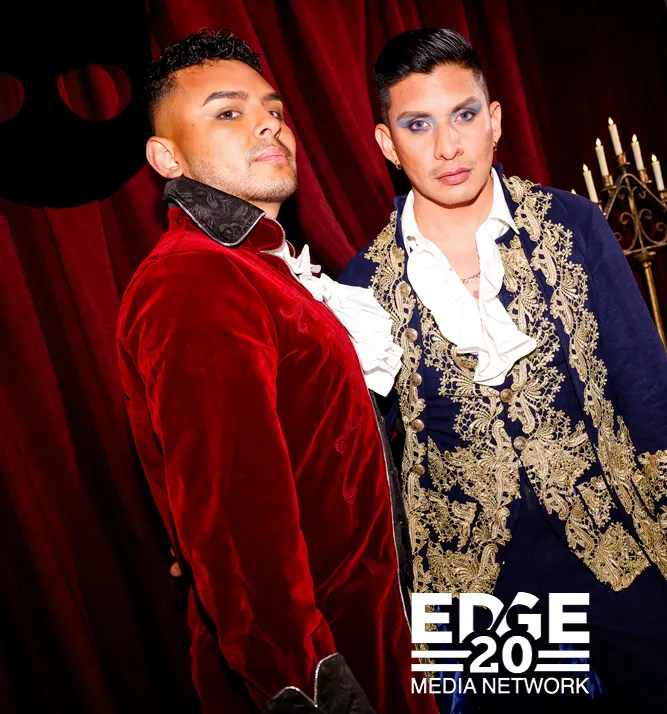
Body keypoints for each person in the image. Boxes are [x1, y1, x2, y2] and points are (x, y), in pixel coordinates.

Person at [338, 28, 667, 713]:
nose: (448, 146)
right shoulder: (363, 284)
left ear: (494, 121)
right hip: (478, 584)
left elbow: (645, 383)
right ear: (386, 143)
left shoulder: (573, 224)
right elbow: (367, 463)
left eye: (464, 115)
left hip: (617, 541)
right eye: (418, 124)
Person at [117, 29, 436, 714]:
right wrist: (309, 688)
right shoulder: (194, 279)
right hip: (323, 665)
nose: (268, 123)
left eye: (273, 109)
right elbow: (238, 537)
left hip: (372, 633)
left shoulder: (259, 268)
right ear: (167, 156)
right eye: (228, 112)